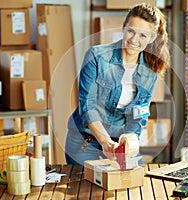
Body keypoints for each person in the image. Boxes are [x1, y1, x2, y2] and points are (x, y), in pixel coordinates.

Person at [65, 3, 170, 165]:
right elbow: (87, 106)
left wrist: (128, 143)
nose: (134, 40)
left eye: (143, 35)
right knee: (88, 189)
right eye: (131, 31)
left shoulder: (150, 72)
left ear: (152, 38)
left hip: (120, 144)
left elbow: (139, 115)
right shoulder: (96, 56)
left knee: (134, 184)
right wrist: (105, 141)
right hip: (86, 142)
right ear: (123, 28)